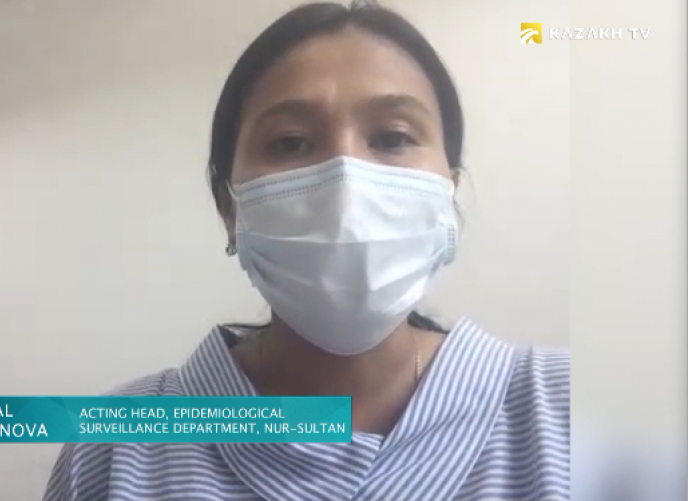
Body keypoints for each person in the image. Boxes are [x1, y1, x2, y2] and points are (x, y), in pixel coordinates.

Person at [43, 1, 570, 499]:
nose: (345, 182)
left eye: (392, 137)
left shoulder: (569, 408)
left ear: (447, 191)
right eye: (291, 142)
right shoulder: (113, 450)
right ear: (229, 206)